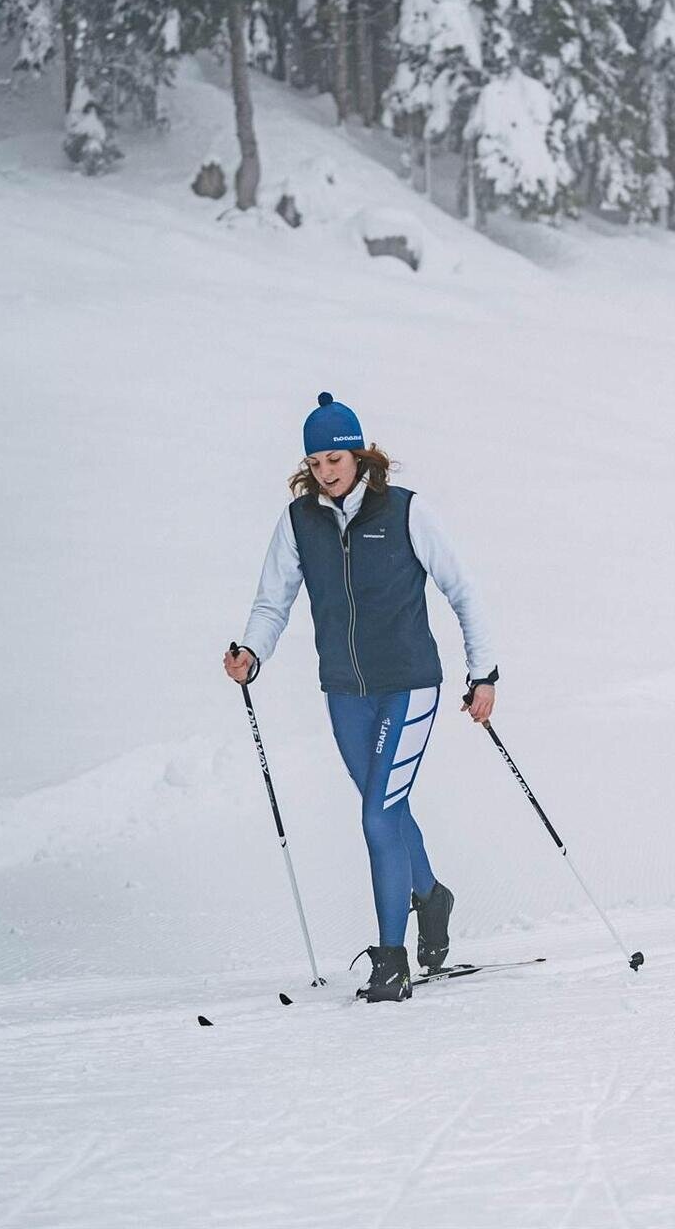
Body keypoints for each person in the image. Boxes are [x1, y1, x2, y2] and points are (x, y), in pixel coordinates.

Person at [224, 393, 497, 1002]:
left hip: (409, 685)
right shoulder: (299, 522)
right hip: (346, 693)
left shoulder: (405, 511)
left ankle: (392, 959)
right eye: (316, 460)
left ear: (358, 453)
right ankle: (431, 896)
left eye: (337, 456)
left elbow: (462, 590)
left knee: (376, 814)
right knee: (389, 810)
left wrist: (484, 674)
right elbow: (274, 600)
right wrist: (252, 652)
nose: (327, 469)